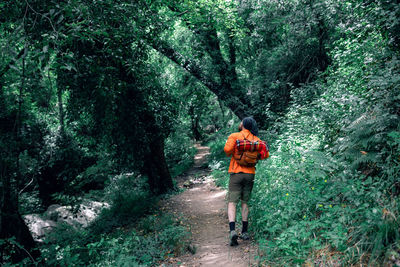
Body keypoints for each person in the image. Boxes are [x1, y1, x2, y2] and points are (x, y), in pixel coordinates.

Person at [223, 117, 267, 246]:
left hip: (236, 173)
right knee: (245, 202)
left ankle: (232, 231)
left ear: (243, 125)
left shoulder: (235, 136)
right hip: (250, 174)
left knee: (232, 202)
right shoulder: (256, 139)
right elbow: (265, 155)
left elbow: (227, 151)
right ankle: (245, 232)